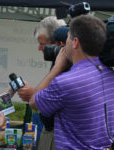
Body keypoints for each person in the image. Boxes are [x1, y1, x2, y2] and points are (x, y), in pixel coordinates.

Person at [26, 14, 114, 150]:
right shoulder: (109, 76)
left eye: (67, 38)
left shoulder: (65, 83)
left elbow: (34, 102)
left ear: (75, 42)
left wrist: (57, 68)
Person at [18, 16, 66, 150]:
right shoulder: (59, 61)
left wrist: (34, 94)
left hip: (58, 135)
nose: (39, 48)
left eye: (42, 44)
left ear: (58, 43)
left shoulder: (66, 65)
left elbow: (57, 101)